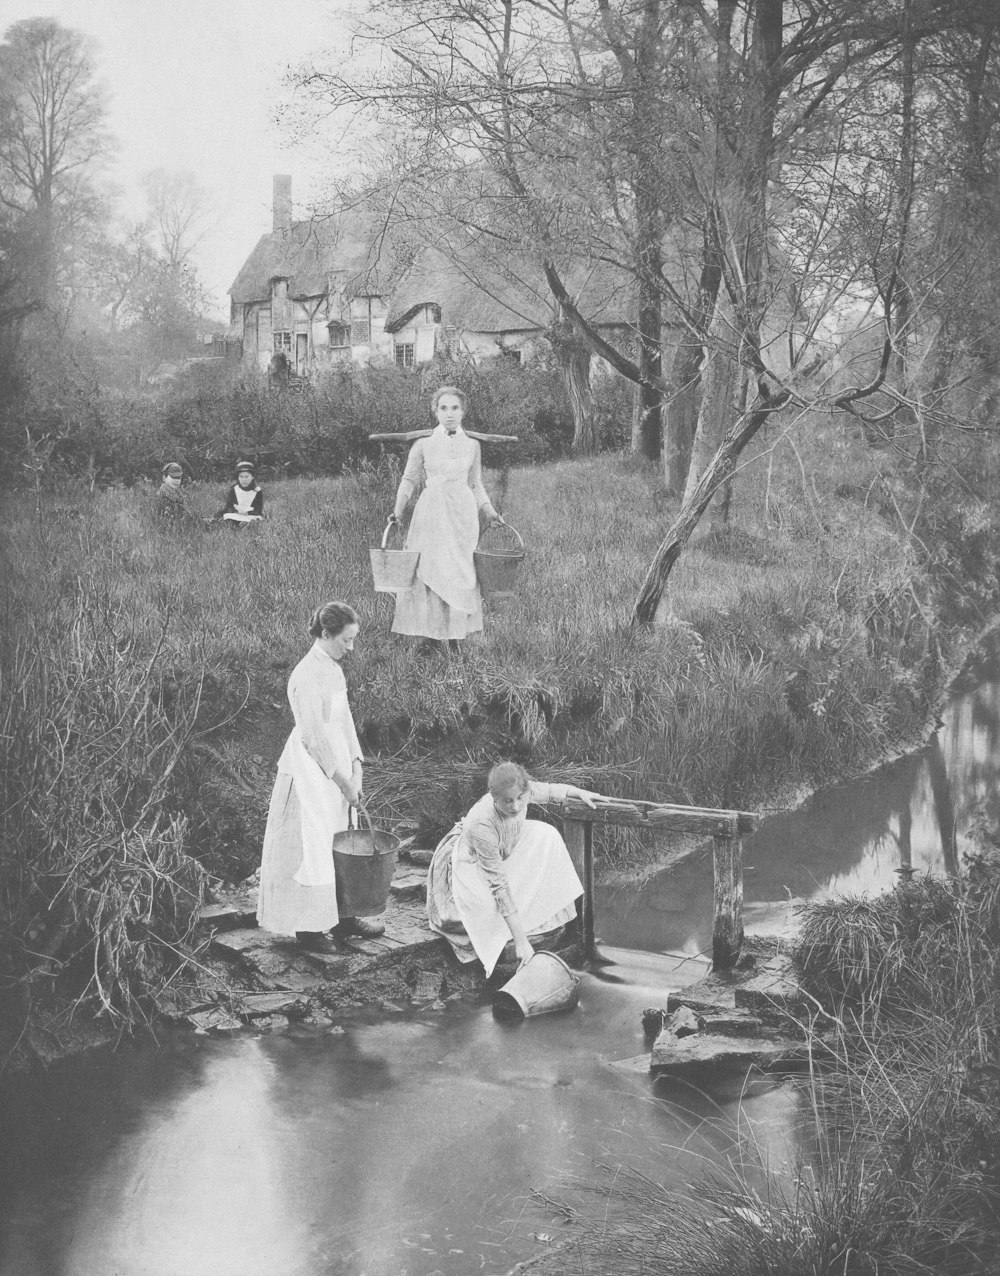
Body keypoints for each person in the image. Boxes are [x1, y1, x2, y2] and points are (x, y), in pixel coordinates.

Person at [256, 601, 385, 953]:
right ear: (326, 634)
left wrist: (356, 766)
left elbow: (343, 722)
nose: (351, 647)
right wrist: (342, 780)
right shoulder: (304, 676)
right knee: (311, 847)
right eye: (346, 639)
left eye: (354, 639)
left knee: (340, 841)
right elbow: (313, 737)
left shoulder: (334, 669)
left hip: (340, 770)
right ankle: (310, 929)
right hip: (311, 772)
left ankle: (344, 917)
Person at [426, 761, 604, 976]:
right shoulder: (482, 824)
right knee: (485, 903)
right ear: (494, 797)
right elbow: (497, 884)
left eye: (520, 798)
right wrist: (521, 942)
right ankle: (517, 931)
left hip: (507, 843)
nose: (516, 806)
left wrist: (581, 793)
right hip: (471, 861)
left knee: (548, 835)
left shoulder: (524, 790)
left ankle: (546, 917)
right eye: (508, 801)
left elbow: (551, 791)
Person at [389, 385, 504, 651]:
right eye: (443, 408)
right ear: (435, 411)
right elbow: (409, 479)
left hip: (462, 515)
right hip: (431, 513)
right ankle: (430, 635)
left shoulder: (472, 445)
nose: (449, 414)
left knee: (459, 573)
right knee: (431, 568)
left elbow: (475, 484)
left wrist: (488, 511)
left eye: (455, 408)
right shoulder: (423, 443)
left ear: (463, 411)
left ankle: (455, 638)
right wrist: (398, 509)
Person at [217, 460, 264, 525]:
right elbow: (229, 506)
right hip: (236, 514)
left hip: (250, 515)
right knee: (227, 516)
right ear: (238, 478)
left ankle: (244, 524)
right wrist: (236, 511)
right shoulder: (234, 489)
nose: (244, 480)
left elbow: (258, 509)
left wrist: (248, 513)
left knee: (256, 519)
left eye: (247, 477)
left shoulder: (257, 491)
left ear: (252, 477)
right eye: (241, 477)